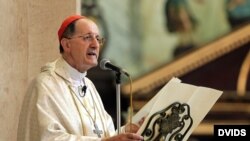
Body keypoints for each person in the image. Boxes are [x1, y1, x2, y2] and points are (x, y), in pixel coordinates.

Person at [17, 15, 144, 141]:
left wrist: (127, 131)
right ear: (67, 45)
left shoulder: (88, 86)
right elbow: (48, 138)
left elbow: (104, 134)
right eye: (87, 37)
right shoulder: (46, 85)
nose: (95, 45)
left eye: (98, 38)